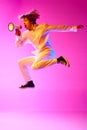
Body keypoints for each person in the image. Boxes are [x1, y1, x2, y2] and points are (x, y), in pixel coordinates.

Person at [15, 9, 84, 88]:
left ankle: (58, 60)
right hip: (39, 55)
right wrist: (17, 36)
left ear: (31, 21)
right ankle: (29, 82)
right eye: (23, 21)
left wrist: (74, 28)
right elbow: (18, 45)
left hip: (48, 52)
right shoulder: (26, 34)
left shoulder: (43, 27)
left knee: (34, 66)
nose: (24, 23)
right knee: (20, 62)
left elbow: (58, 27)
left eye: (25, 21)